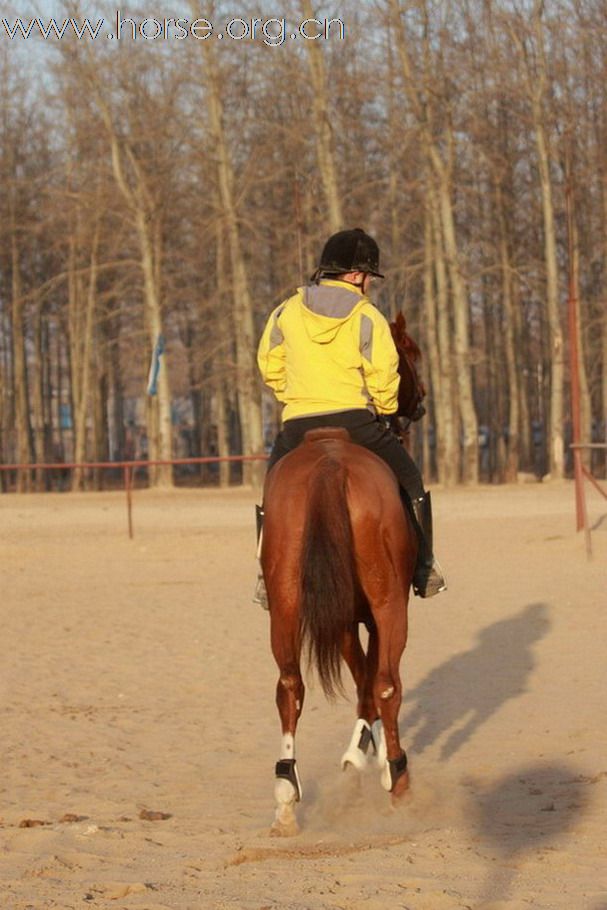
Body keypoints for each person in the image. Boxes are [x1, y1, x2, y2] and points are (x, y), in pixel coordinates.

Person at [255, 228, 446, 606]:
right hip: (355, 424)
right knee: (411, 479)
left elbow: (269, 364)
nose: (369, 286)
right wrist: (384, 407)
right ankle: (425, 567)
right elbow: (384, 374)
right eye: (369, 278)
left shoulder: (285, 311)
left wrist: (293, 395)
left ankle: (265, 576)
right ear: (357, 275)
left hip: (298, 425)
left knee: (271, 492)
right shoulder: (367, 316)